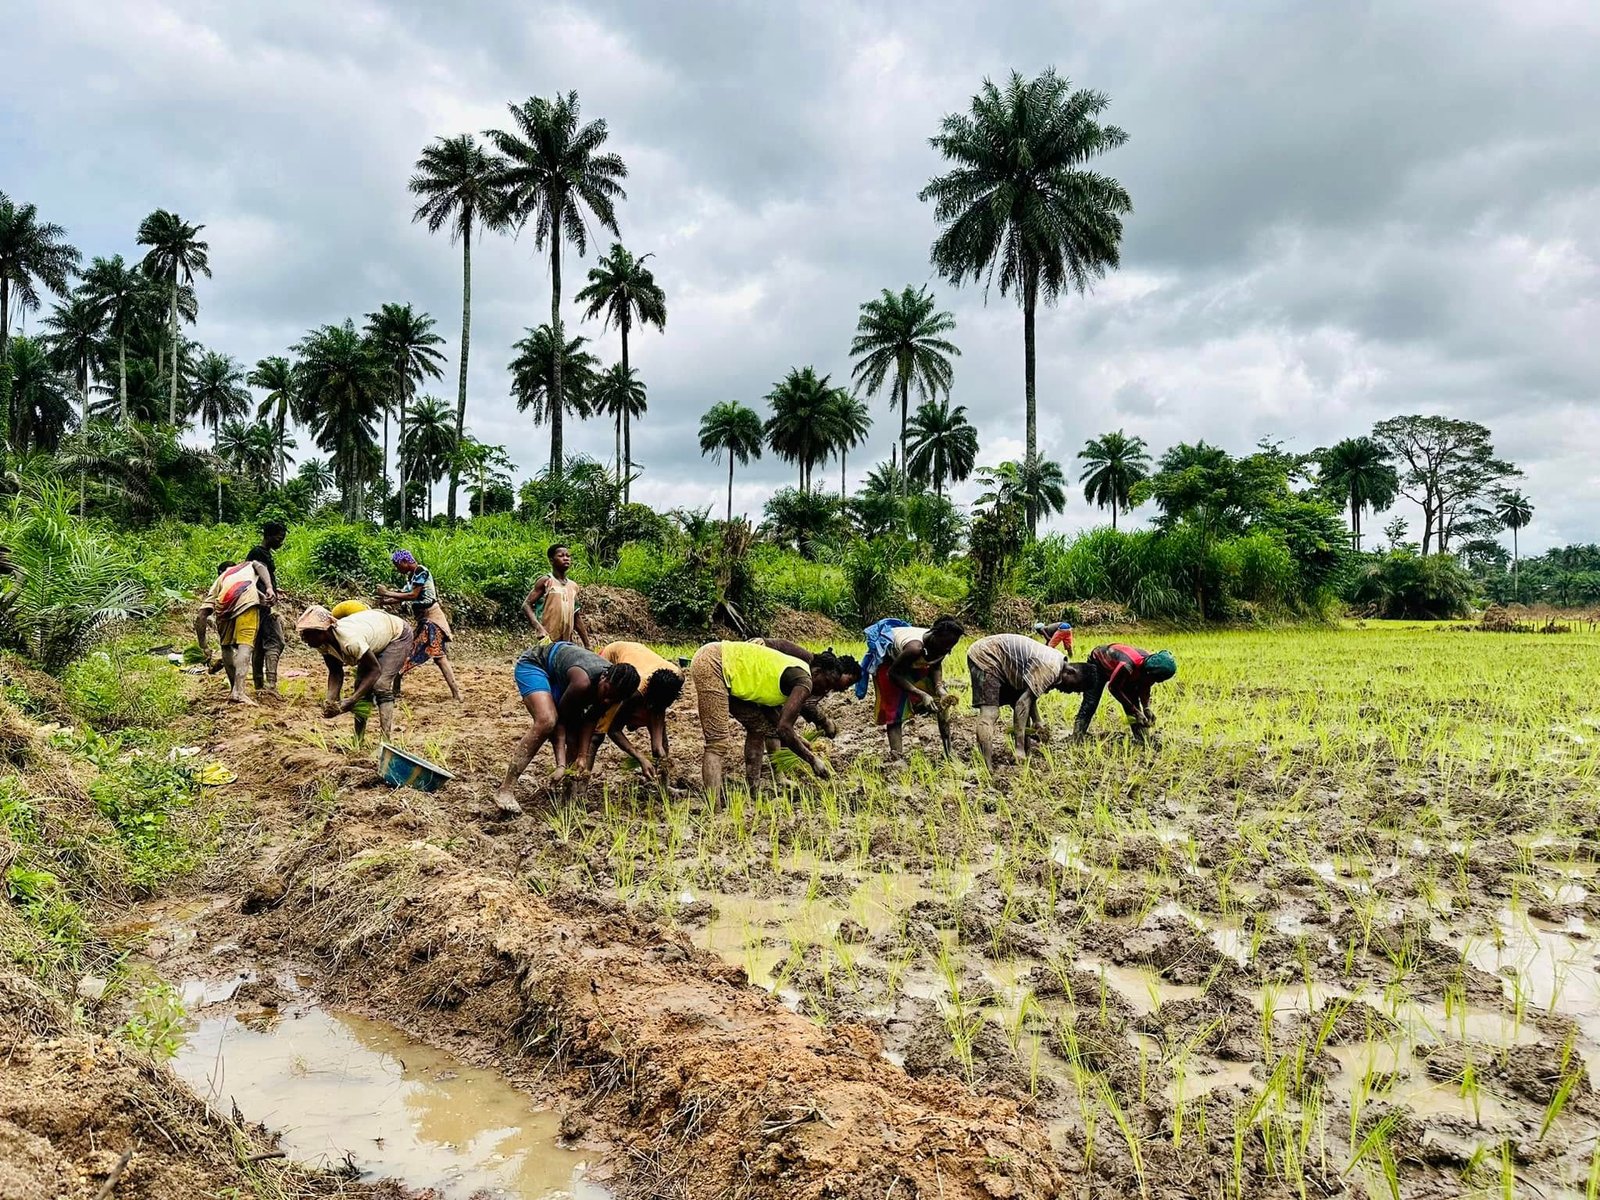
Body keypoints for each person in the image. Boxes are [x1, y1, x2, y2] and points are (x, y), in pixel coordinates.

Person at [496, 641, 639, 814]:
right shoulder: (583, 682)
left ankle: (567, 798)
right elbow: (560, 723)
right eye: (607, 692)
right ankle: (505, 789)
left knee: (575, 737)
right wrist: (561, 765)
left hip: (562, 677)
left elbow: (590, 721)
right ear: (604, 678)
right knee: (547, 720)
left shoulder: (614, 690)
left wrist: (582, 756)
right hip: (536, 664)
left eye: (613, 699)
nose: (607, 700)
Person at [687, 640, 832, 796]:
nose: (826, 691)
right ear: (817, 672)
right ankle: (714, 808)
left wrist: (798, 740)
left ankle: (754, 790)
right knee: (717, 743)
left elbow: (774, 720)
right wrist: (812, 760)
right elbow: (784, 728)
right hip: (713, 663)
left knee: (759, 727)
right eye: (827, 683)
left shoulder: (795, 675)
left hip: (732, 675)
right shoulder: (803, 682)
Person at [295, 604, 414, 744]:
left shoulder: (350, 641)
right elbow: (335, 672)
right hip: (374, 635)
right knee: (360, 685)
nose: (304, 639)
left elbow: (375, 670)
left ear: (323, 631)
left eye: (307, 635)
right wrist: (331, 700)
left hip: (397, 635)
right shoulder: (322, 644)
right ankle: (358, 739)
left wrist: (352, 700)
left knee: (380, 685)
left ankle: (385, 742)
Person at [965, 633, 1083, 769]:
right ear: (1071, 672)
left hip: (1003, 663)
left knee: (1023, 712)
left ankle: (1025, 753)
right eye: (1074, 687)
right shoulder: (1051, 668)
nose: (1069, 692)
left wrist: (1037, 720)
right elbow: (1022, 704)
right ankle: (987, 767)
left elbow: (1029, 695)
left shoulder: (1057, 661)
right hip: (986, 655)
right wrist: (1018, 748)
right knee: (990, 713)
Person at [582, 641, 686, 781]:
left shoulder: (677, 679)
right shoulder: (635, 692)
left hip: (641, 658)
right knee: (597, 735)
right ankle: (581, 782)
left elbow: (658, 711)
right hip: (612, 656)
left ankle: (663, 786)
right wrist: (640, 757)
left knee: (661, 742)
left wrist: (659, 748)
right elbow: (614, 730)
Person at [862, 617, 963, 758]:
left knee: (942, 703)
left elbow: (936, 664)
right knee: (895, 710)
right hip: (889, 664)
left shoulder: (942, 644)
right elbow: (893, 674)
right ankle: (897, 757)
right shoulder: (915, 648)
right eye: (945, 646)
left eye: (950, 647)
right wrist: (921, 694)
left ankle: (948, 752)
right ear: (934, 636)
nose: (947, 650)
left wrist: (939, 687)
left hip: (911, 663)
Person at [378, 550, 462, 702]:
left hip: (432, 619)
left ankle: (457, 693)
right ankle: (396, 690)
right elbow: (403, 595)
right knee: (406, 651)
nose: (397, 569)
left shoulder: (421, 571)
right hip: (425, 620)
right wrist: (385, 600)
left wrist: (387, 593)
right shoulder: (412, 576)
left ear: (404, 562)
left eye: (397, 565)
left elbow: (413, 595)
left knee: (438, 656)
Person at [745, 636, 861, 738]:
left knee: (769, 725)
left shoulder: (822, 684)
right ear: (840, 671)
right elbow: (806, 704)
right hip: (757, 655)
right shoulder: (813, 669)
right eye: (849, 681)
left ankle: (775, 754)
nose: (847, 687)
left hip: (766, 678)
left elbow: (801, 705)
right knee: (763, 726)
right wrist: (824, 722)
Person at [195, 560, 275, 706]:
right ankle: (239, 692)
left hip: (223, 605)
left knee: (226, 647)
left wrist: (203, 646)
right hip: (246, 602)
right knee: (245, 645)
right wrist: (269, 587)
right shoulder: (247, 565)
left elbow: (201, 616)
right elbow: (260, 566)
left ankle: (234, 688)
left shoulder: (220, 580)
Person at [1072, 644, 1177, 743]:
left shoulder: (1151, 664)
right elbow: (1114, 688)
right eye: (1156, 679)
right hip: (1098, 663)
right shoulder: (1127, 666)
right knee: (1091, 702)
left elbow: (1145, 686)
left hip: (1122, 669)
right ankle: (1077, 737)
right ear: (1148, 673)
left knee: (1133, 704)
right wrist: (1135, 711)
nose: (1156, 682)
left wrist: (1146, 708)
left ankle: (1143, 742)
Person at [245, 520, 288, 697]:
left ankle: (259, 685)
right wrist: (264, 593)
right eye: (279, 538)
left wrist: (275, 590)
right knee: (275, 642)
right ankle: (270, 685)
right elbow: (249, 579)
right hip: (261, 606)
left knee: (259, 646)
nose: (281, 542)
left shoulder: (263, 553)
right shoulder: (257, 553)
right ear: (269, 536)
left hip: (261, 605)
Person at [521, 544, 591, 648]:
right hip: (546, 640)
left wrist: (587, 645)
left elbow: (576, 616)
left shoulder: (573, 586)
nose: (566, 558)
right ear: (551, 561)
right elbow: (526, 605)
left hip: (566, 643)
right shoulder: (546, 581)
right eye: (561, 556)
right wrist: (539, 628)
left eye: (568, 556)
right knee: (545, 657)